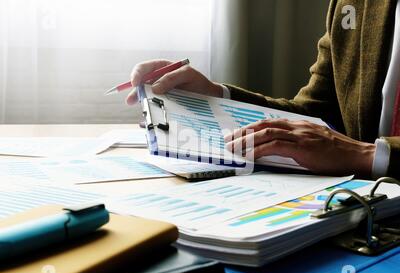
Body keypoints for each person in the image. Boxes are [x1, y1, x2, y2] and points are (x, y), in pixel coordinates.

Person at [126, 0, 400, 179]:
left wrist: (369, 155)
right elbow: (313, 114)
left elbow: (342, 146)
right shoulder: (355, 4)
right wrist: (216, 98)